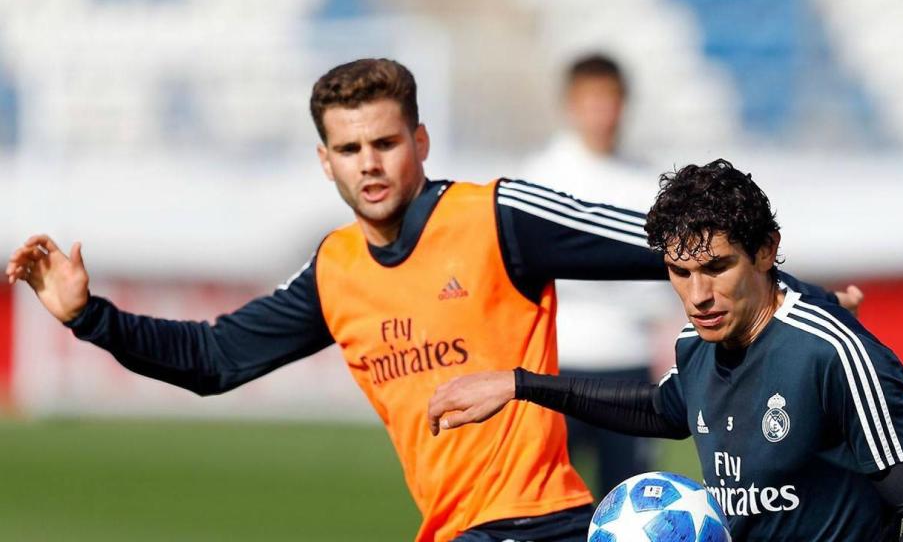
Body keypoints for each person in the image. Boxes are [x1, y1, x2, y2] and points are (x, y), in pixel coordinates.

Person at [7, 59, 857, 542]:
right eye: (350, 148)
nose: (370, 162)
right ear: (325, 162)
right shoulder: (334, 269)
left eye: (385, 141)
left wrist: (799, 296)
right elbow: (215, 360)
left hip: (547, 522)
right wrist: (91, 318)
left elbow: (665, 235)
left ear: (419, 141)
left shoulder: (495, 216)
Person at [428, 160, 903, 541]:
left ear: (766, 251)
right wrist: (522, 385)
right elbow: (663, 410)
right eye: (679, 273)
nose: (698, 295)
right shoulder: (695, 344)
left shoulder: (835, 355)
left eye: (716, 267)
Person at [521, 53, 665, 497]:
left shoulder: (649, 182)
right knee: (543, 504)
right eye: (591, 101)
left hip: (628, 366)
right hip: (556, 365)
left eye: (610, 100)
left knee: (631, 506)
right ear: (571, 105)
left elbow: (662, 282)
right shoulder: (539, 178)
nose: (602, 113)